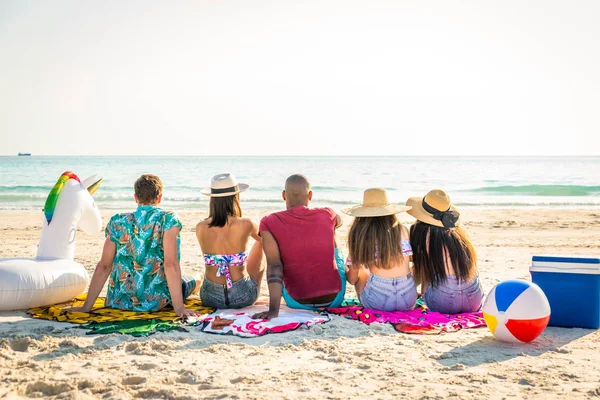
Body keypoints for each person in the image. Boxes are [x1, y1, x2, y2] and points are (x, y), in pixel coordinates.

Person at [67, 174, 200, 317]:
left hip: (120, 301)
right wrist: (179, 309)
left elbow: (104, 266)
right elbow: (170, 264)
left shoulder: (117, 221)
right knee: (197, 278)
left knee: (189, 278)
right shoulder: (168, 219)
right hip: (156, 302)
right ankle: (198, 280)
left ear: (135, 197)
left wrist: (87, 306)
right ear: (159, 197)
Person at [252, 174, 346, 320]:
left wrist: (273, 310)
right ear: (310, 195)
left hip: (296, 302)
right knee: (333, 233)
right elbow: (339, 222)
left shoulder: (268, 222)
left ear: (284, 195)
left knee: (278, 258)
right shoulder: (328, 214)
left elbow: (274, 266)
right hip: (334, 298)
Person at [406, 189, 484, 314]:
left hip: (443, 301)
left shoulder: (420, 232)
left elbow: (419, 267)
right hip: (474, 298)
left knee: (424, 265)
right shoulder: (458, 234)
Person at [196, 173, 264, 308]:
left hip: (210, 298)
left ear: (212, 200)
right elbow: (265, 239)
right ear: (236, 198)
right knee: (262, 242)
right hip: (242, 297)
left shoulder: (200, 227)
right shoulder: (247, 224)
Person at [343, 188, 417, 311]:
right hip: (408, 300)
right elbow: (411, 260)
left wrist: (350, 265)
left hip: (378, 302)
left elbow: (352, 279)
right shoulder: (402, 229)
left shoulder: (361, 236)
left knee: (362, 271)